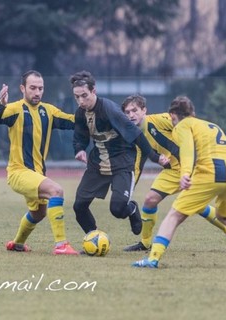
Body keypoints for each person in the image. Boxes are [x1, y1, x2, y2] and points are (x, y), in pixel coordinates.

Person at [132, 96, 226, 269]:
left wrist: (186, 173)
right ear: (192, 113)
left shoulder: (182, 125)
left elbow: (187, 151)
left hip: (210, 171)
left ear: (173, 115)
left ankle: (153, 259)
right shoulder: (211, 125)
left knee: (174, 216)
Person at [121, 94, 226, 252]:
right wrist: (129, 190)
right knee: (150, 200)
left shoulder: (162, 119)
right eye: (127, 112)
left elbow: (190, 128)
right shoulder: (137, 136)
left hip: (189, 167)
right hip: (171, 171)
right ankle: (145, 243)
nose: (131, 115)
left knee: (197, 206)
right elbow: (137, 165)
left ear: (144, 110)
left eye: (134, 110)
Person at [0, 70, 78, 255]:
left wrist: (93, 112)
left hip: (36, 174)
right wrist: (2, 103)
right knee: (56, 191)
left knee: (39, 213)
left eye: (40, 88)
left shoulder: (48, 111)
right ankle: (61, 245)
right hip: (18, 172)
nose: (37, 92)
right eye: (32, 88)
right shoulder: (15, 109)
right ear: (23, 88)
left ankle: (17, 244)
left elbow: (72, 121)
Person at [70, 71, 168, 236]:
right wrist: (79, 149)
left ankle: (131, 209)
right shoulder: (80, 113)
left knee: (117, 209)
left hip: (121, 162)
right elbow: (80, 136)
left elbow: (136, 135)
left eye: (84, 95)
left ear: (94, 91)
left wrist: (154, 157)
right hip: (97, 164)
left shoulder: (110, 110)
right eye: (76, 97)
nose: (80, 101)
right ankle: (93, 237)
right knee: (79, 206)